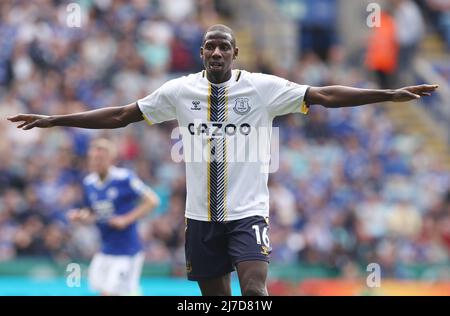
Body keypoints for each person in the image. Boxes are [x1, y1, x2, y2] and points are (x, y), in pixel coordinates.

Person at [7, 24, 438, 296]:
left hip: (249, 213)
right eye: (210, 47)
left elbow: (322, 95)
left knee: (254, 286)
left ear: (235, 55)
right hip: (200, 218)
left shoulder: (263, 88)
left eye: (224, 47)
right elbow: (122, 115)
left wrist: (389, 94)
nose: (216, 53)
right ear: (201, 54)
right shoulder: (178, 92)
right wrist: (54, 119)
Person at [68, 138, 160, 295]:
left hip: (127, 250)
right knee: (101, 287)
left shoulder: (124, 178)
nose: (95, 162)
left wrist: (126, 219)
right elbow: (93, 212)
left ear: (111, 159)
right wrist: (81, 216)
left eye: (100, 159)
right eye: (93, 159)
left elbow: (152, 200)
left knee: (111, 291)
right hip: (105, 248)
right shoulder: (89, 182)